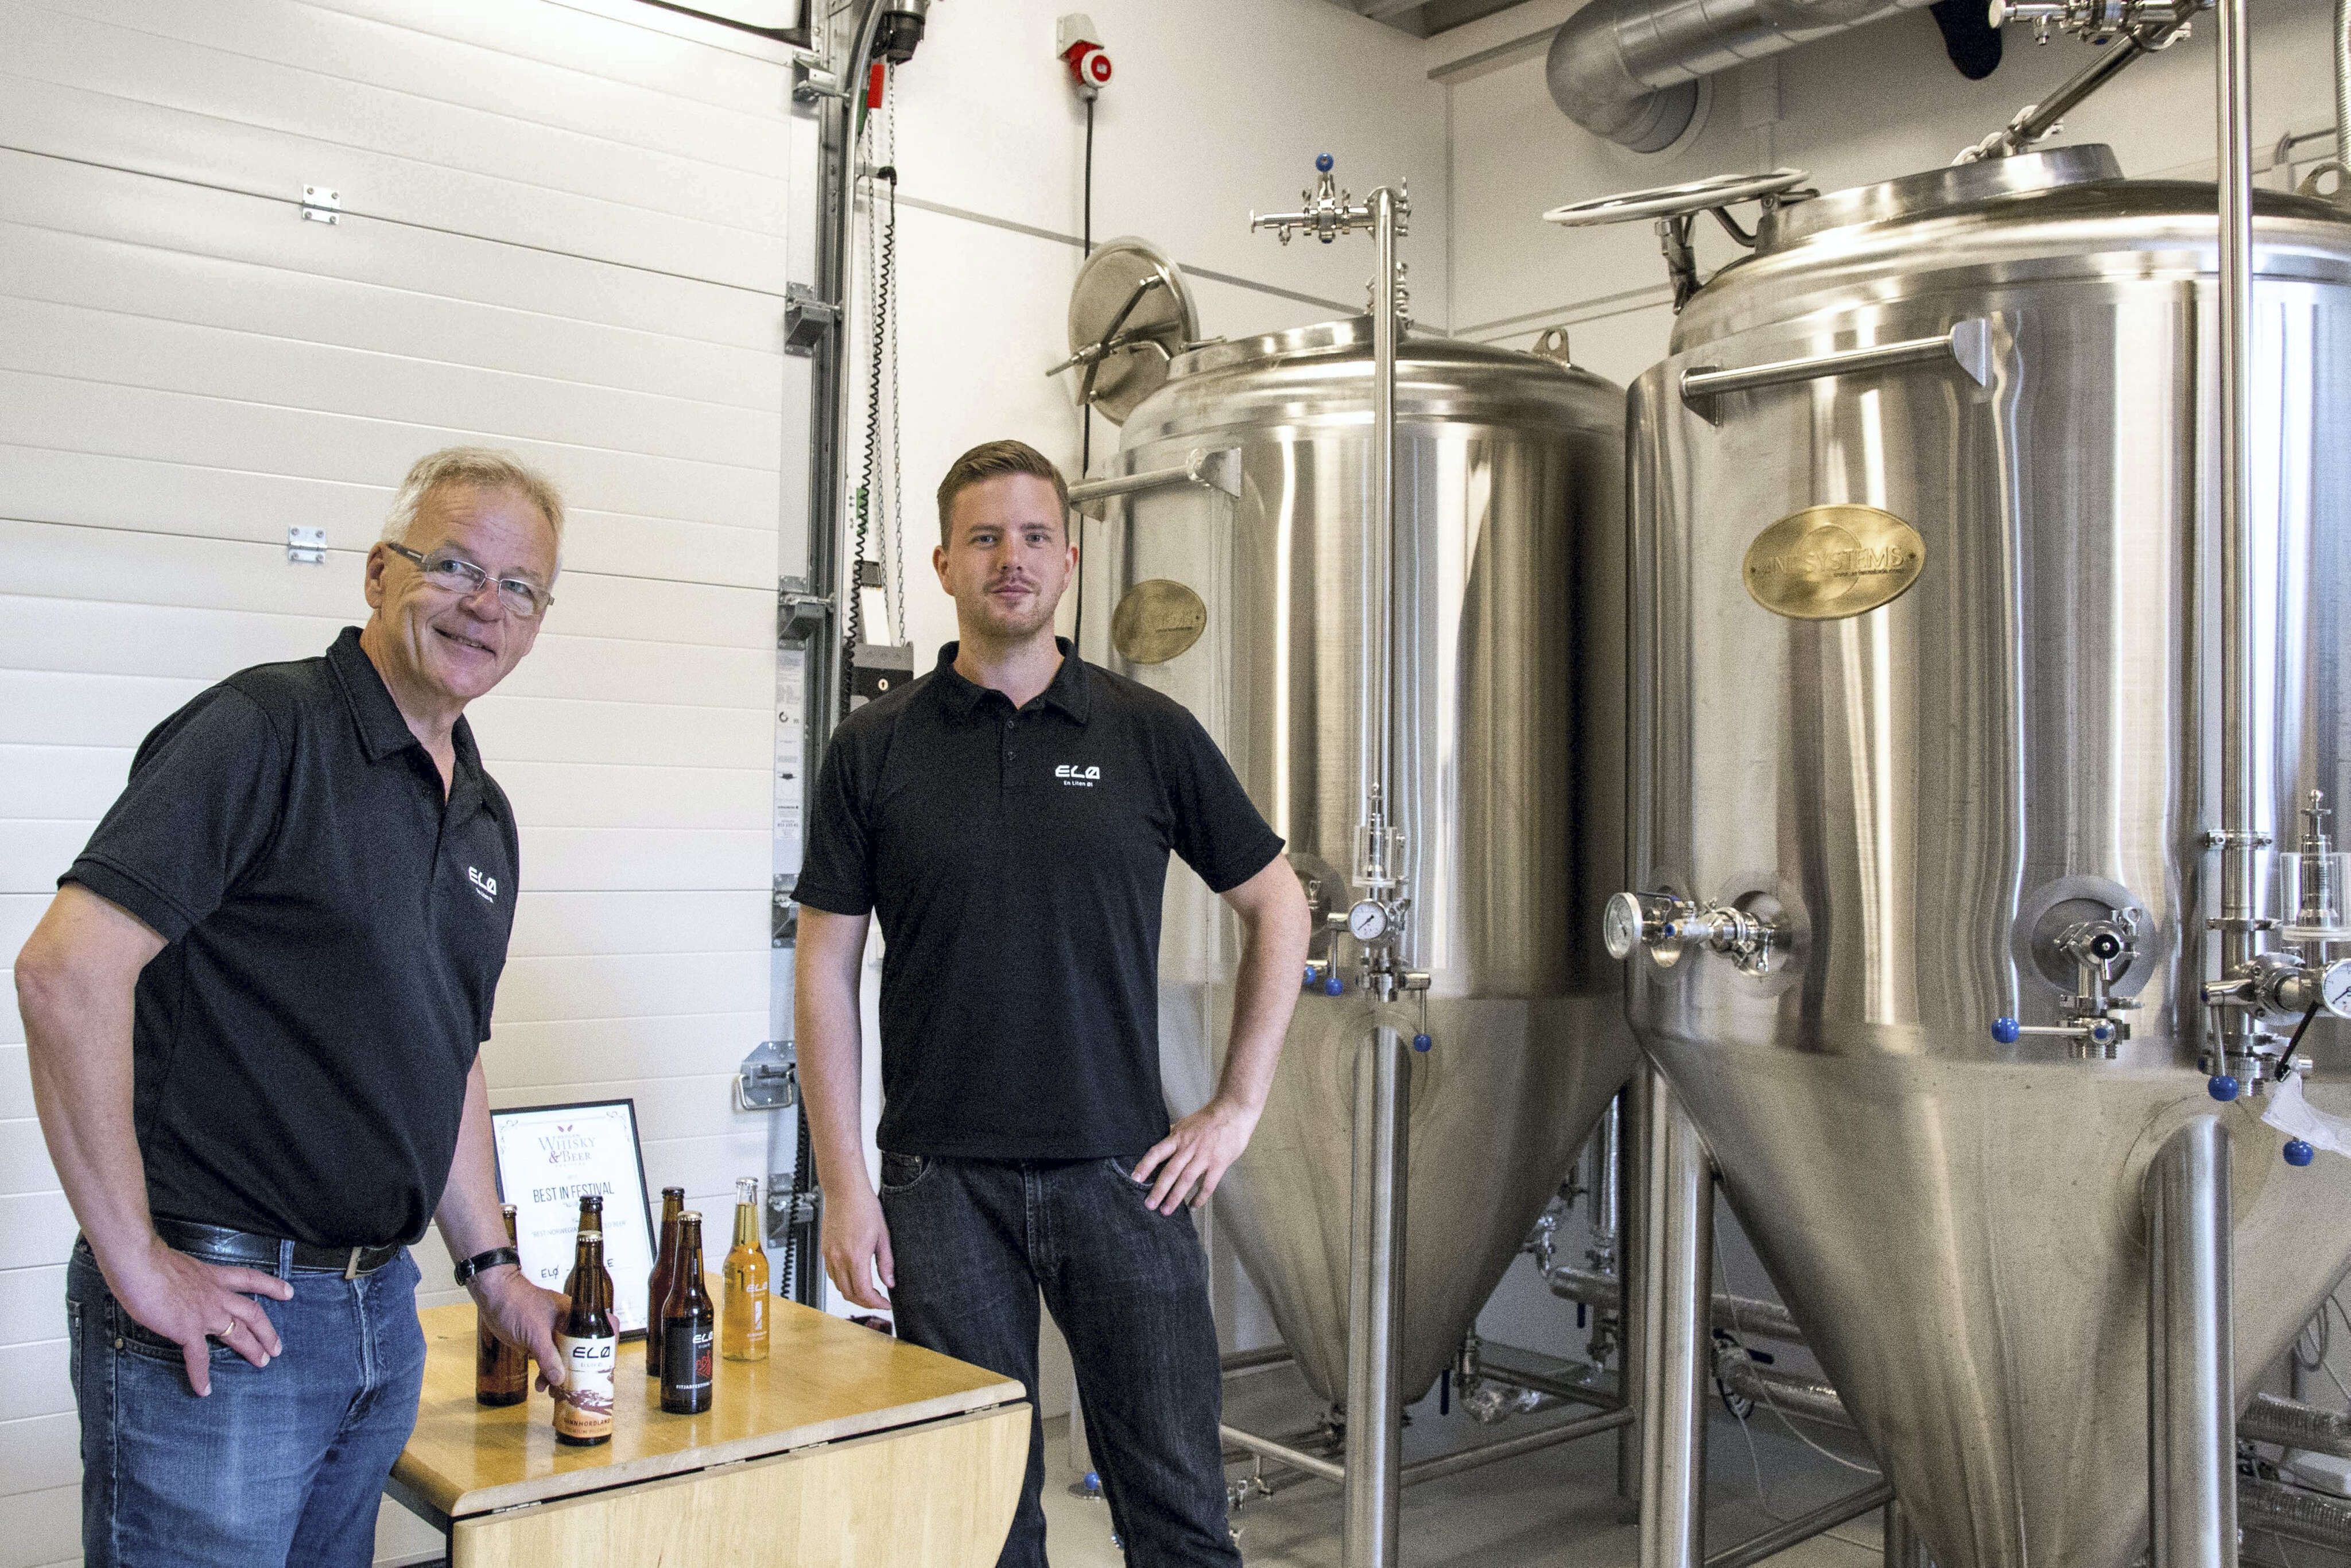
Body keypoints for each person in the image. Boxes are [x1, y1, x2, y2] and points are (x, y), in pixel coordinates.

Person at [14, 448, 575, 1568]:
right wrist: (137, 1262)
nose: (486, 605)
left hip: (380, 1315)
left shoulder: (483, 814)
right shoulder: (263, 730)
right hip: (226, 1321)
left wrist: (491, 1268)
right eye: (455, 565)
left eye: (520, 587)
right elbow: (64, 973)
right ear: (378, 573)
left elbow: (447, 1052)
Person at [794, 439, 1312, 1566]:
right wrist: (844, 1185)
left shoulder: (1146, 732)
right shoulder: (873, 749)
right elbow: (824, 969)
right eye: (984, 537)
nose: (1011, 559)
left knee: (1179, 1512)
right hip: (940, 1184)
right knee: (983, 1524)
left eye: (1034, 536)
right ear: (943, 563)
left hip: (1124, 1173)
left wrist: (1235, 1107)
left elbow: (1279, 903)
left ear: (1069, 560)